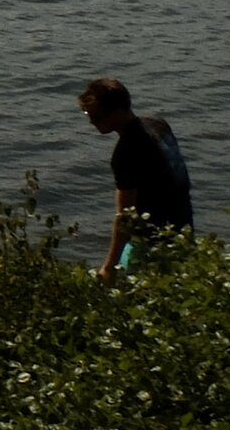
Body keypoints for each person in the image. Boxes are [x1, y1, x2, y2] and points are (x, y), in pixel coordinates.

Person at [77, 77, 193, 279]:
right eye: (89, 115)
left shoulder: (126, 152)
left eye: (97, 117)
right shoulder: (157, 124)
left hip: (152, 242)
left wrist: (108, 266)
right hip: (183, 227)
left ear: (118, 111)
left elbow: (125, 218)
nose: (91, 121)